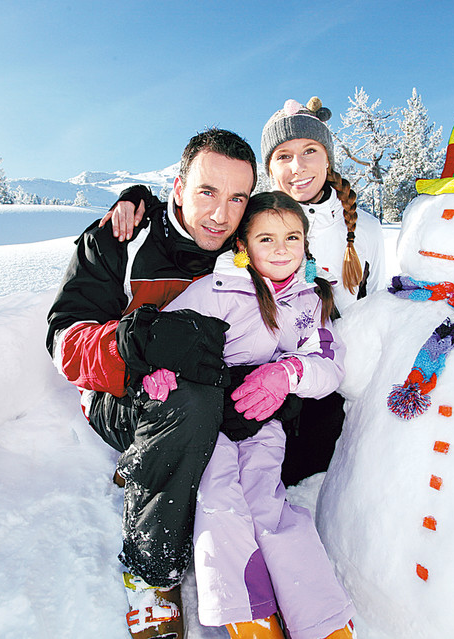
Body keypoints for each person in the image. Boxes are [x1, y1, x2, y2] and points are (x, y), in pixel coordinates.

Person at [103, 96, 386, 486]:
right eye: (283, 156)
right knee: (226, 454)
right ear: (269, 170)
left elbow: (377, 302)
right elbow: (203, 210)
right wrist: (136, 196)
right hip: (258, 361)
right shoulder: (250, 218)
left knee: (305, 468)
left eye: (310, 152)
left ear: (328, 158)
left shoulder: (365, 229)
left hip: (322, 368)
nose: (298, 167)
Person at [46, 128, 257, 639]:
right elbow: (63, 343)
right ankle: (149, 568)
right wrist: (135, 346)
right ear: (178, 187)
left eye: (237, 198)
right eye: (207, 191)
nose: (220, 215)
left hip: (212, 384)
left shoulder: (247, 246)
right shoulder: (120, 240)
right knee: (190, 403)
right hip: (119, 396)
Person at [142, 191, 356, 639]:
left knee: (266, 501)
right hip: (208, 417)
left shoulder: (311, 299)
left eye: (292, 237)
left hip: (261, 415)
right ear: (243, 246)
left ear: (306, 243)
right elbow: (166, 335)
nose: (281, 249)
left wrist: (287, 373)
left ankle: (321, 620)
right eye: (267, 238)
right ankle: (249, 614)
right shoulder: (217, 289)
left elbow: (328, 366)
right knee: (219, 497)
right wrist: (158, 374)